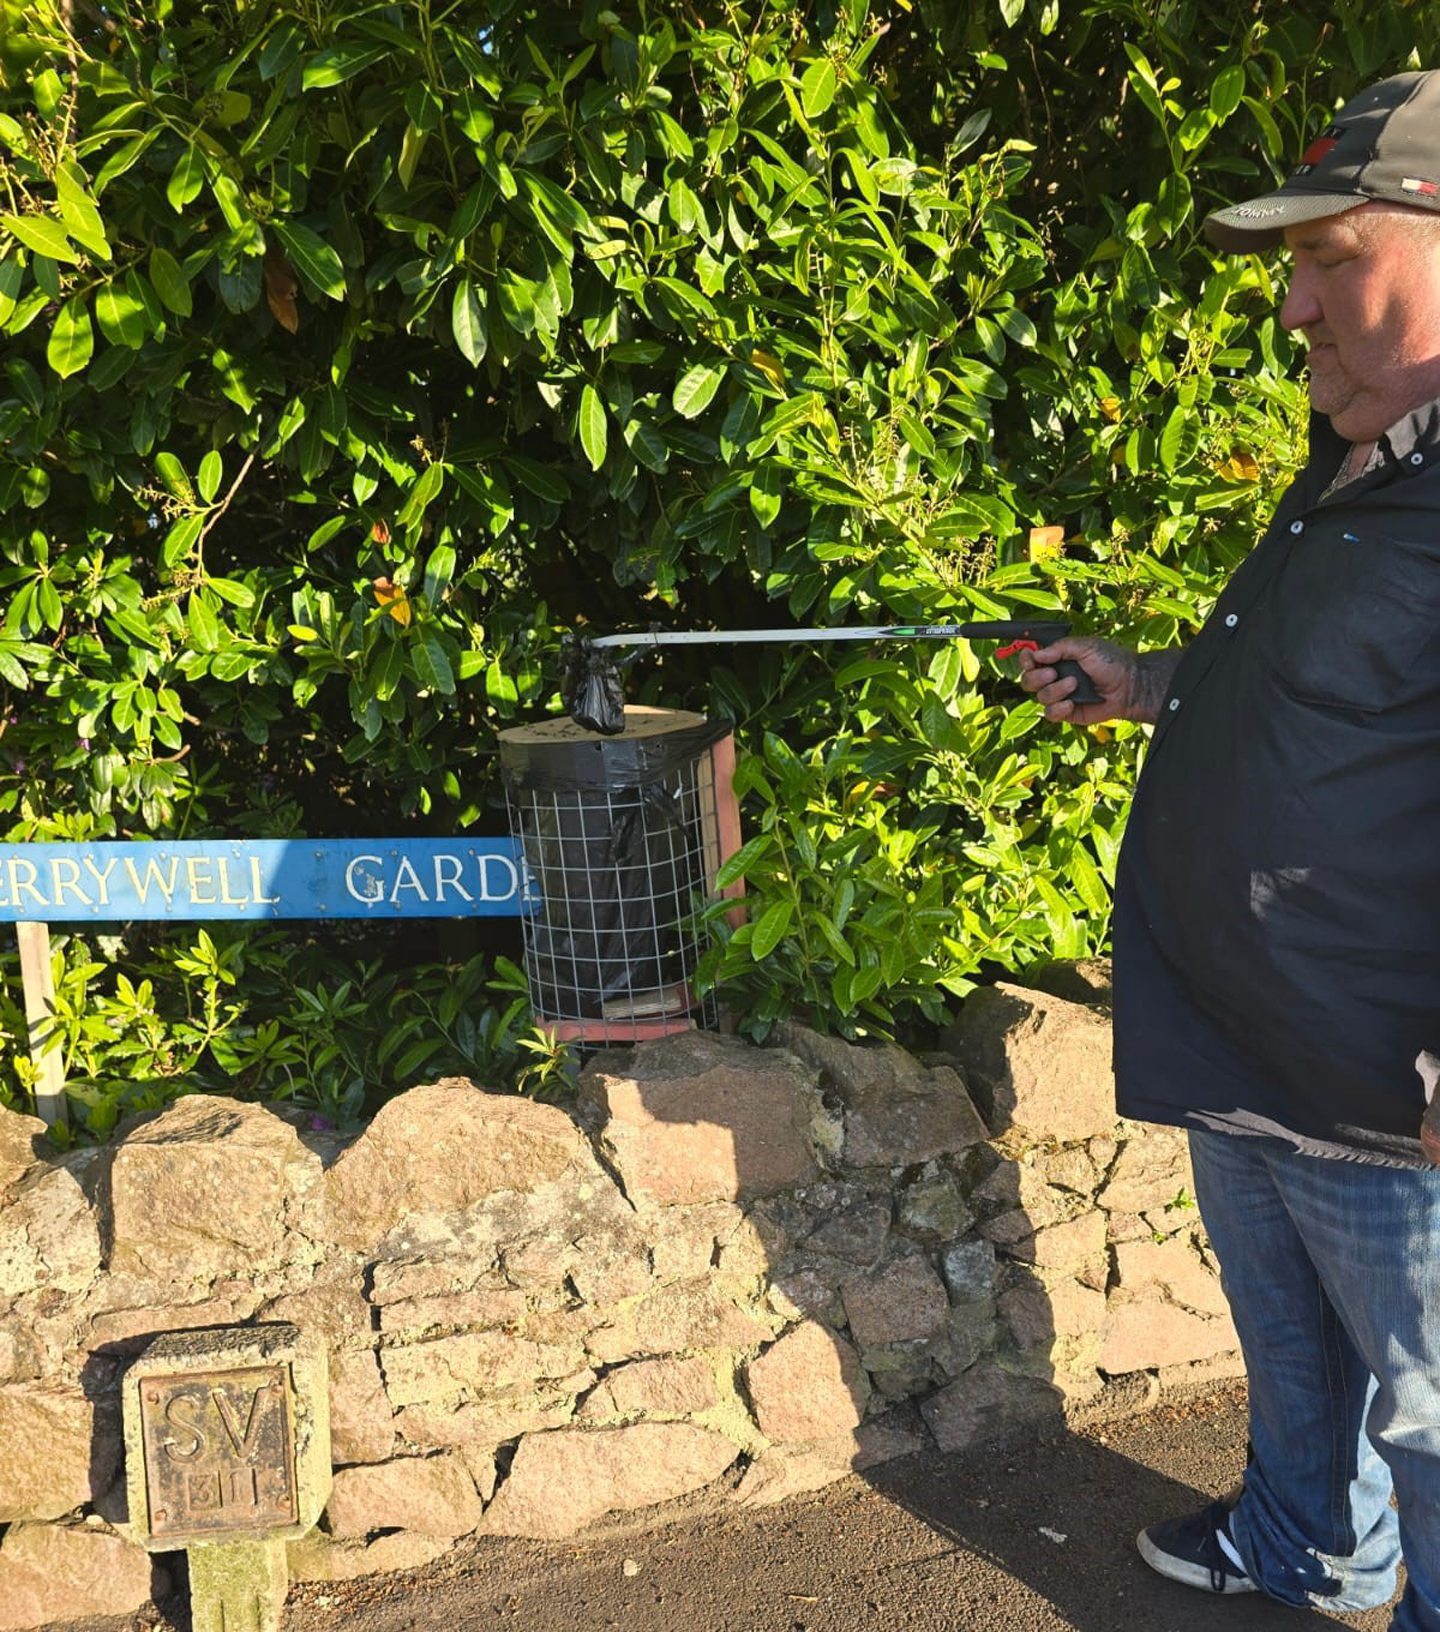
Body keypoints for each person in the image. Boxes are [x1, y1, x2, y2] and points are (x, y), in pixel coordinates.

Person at [1019, 70, 1440, 1630]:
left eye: (1336, 259)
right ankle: (1311, 1547)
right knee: (1296, 1357)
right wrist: (1143, 687)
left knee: (1435, 1414)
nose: (1294, 307)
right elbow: (1324, 689)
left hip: (1389, 1089)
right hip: (1253, 1038)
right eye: (1294, 267)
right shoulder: (1363, 459)